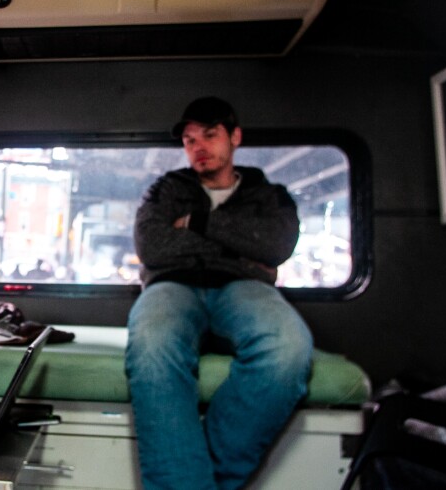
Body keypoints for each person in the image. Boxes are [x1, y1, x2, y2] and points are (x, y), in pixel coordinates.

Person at [125, 97, 313, 490]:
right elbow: (153, 247)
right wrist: (239, 246)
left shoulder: (267, 193)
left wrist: (198, 223)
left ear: (235, 137)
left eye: (209, 135)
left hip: (242, 287)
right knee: (152, 343)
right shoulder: (166, 189)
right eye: (190, 139)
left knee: (287, 348)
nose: (198, 146)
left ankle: (196, 480)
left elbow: (276, 245)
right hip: (172, 284)